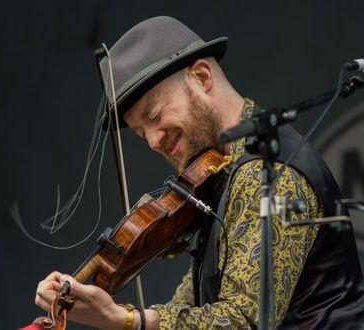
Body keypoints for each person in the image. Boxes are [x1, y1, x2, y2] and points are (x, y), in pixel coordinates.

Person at [34, 16, 364, 329]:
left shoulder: (269, 174)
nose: (152, 140)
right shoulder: (220, 174)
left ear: (203, 77)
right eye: (140, 134)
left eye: (155, 115)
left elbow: (242, 321)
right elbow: (191, 305)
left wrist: (127, 320)